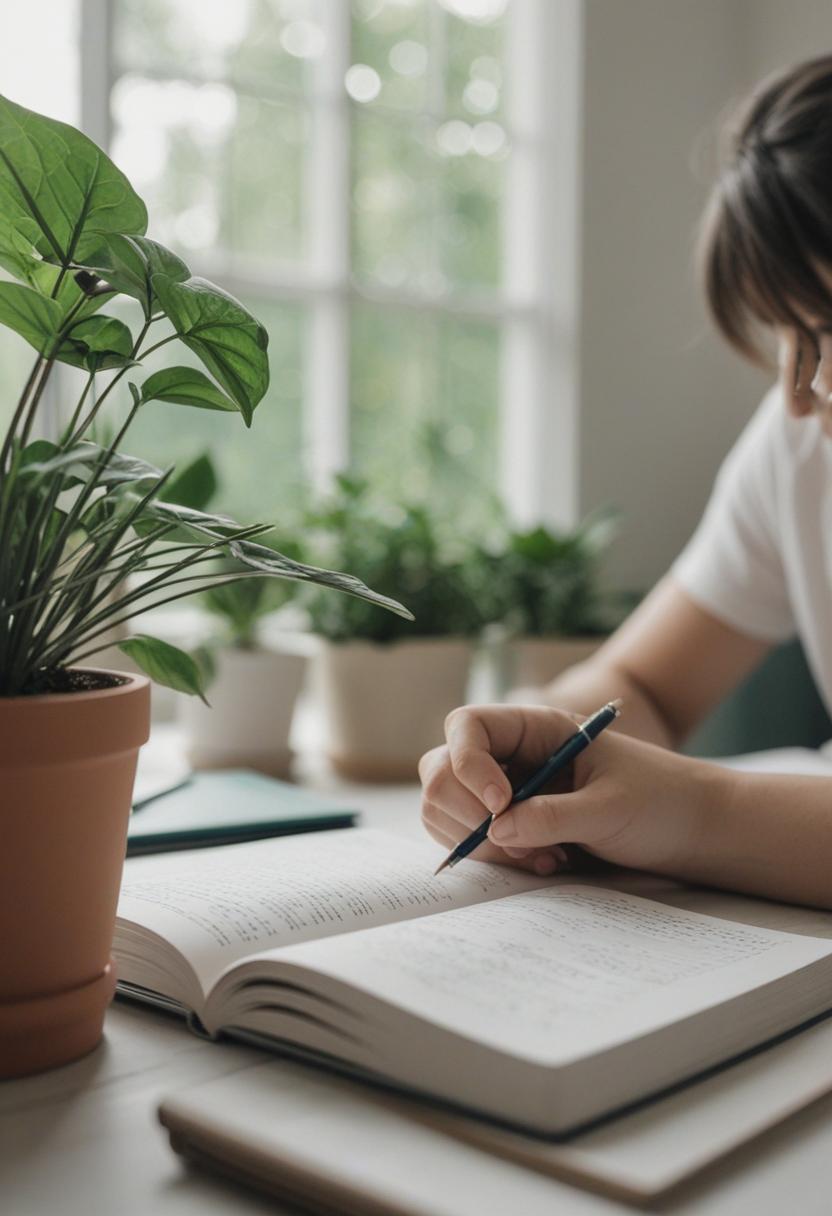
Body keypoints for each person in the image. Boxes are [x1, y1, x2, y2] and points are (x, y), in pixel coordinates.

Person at [419, 56, 832, 910]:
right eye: (790, 333)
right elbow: (642, 687)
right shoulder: (801, 446)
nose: (801, 392)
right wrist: (541, 742)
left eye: (829, 331)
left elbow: (690, 800)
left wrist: (694, 811)